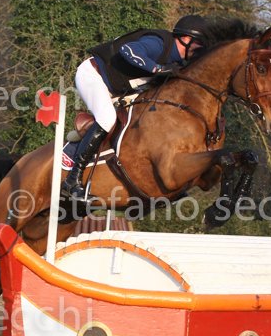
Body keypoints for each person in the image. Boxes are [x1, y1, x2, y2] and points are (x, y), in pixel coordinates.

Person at [61, 15, 209, 203]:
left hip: (120, 89)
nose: (201, 50)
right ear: (186, 39)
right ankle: (72, 179)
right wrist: (157, 69)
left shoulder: (181, 64)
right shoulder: (159, 43)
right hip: (94, 76)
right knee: (107, 118)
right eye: (200, 44)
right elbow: (128, 50)